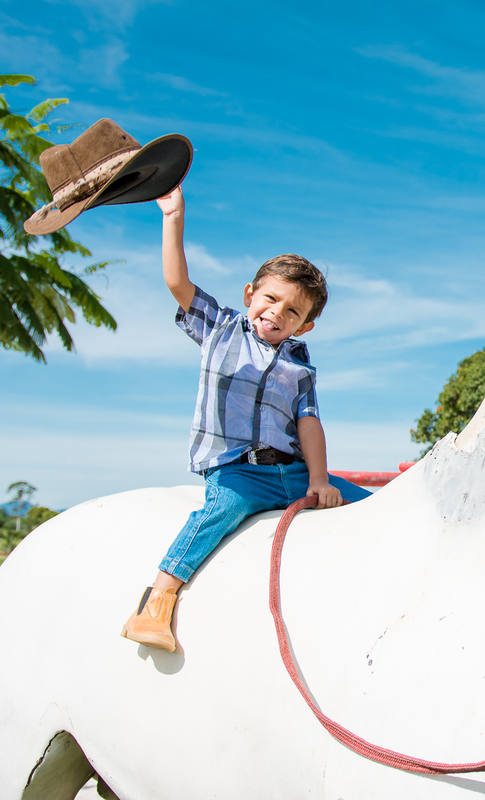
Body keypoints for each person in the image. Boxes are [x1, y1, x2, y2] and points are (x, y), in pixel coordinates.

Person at [122, 185, 370, 652]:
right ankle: (156, 602)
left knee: (372, 503)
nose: (277, 312)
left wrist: (319, 477)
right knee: (219, 512)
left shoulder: (300, 366)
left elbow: (309, 424)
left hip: (292, 472)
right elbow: (178, 284)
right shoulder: (220, 328)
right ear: (250, 293)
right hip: (239, 471)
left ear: (306, 325)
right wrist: (173, 216)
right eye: (270, 299)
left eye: (293, 310)